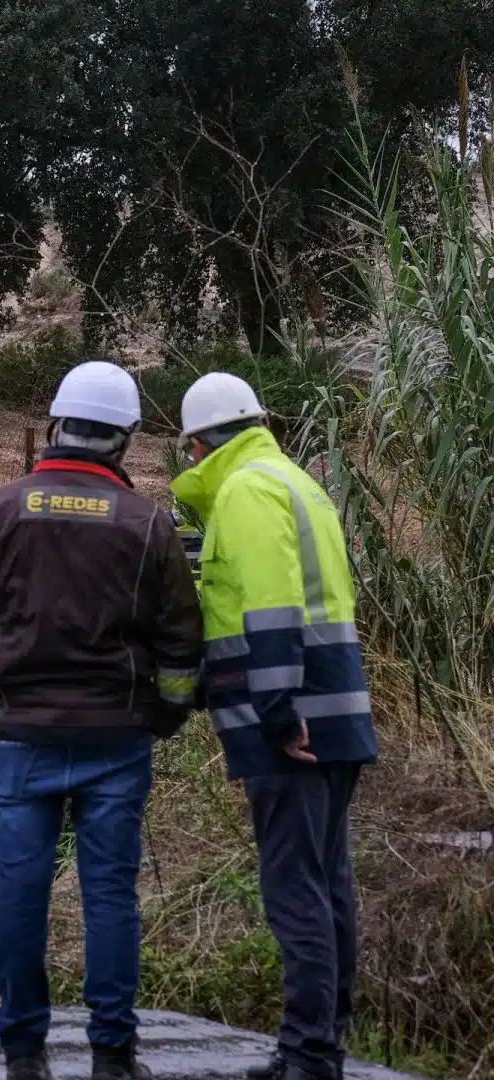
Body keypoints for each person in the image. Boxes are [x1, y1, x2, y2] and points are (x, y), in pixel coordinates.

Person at [0, 362, 204, 1080]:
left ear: (56, 425)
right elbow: (183, 643)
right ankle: (113, 1055)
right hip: (118, 738)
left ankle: (23, 1053)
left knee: (19, 894)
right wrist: (163, 718)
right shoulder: (146, 523)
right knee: (110, 898)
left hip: (22, 735)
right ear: (123, 439)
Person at [169, 373, 377, 1080]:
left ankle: (308, 1051)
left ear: (198, 444)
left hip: (291, 721)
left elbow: (272, 608)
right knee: (327, 878)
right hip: (335, 708)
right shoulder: (293, 479)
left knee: (294, 884)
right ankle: (326, 1041)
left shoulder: (246, 490)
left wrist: (278, 710)